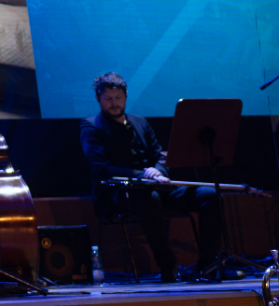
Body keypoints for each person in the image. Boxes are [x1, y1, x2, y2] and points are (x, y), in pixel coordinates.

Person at [80, 71, 224, 282]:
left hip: (155, 186)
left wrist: (158, 171)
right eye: (108, 99)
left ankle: (209, 265)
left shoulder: (140, 122)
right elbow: (102, 168)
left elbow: (160, 156)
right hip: (119, 193)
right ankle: (168, 266)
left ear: (126, 96)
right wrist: (144, 175)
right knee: (150, 199)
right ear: (98, 99)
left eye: (118, 97)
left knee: (210, 195)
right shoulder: (91, 126)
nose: (114, 103)